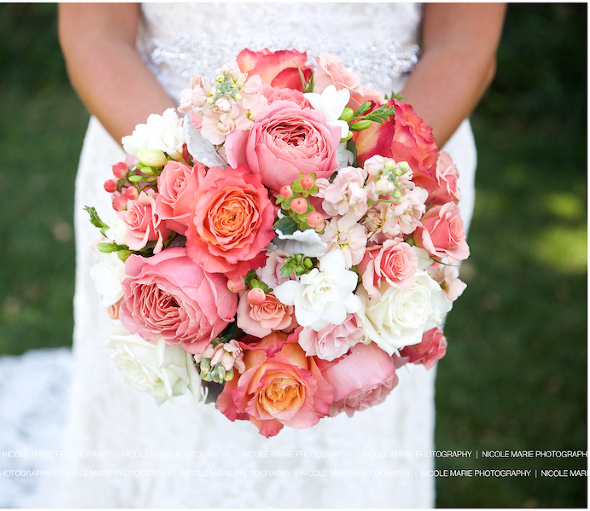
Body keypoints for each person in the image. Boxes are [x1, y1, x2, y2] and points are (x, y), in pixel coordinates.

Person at [43, 3, 506, 508]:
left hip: (390, 181)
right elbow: (96, 36)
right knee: (163, 421)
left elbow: (464, 42)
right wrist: (195, 193)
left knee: (353, 436)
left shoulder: (378, 200)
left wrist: (365, 201)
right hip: (154, 155)